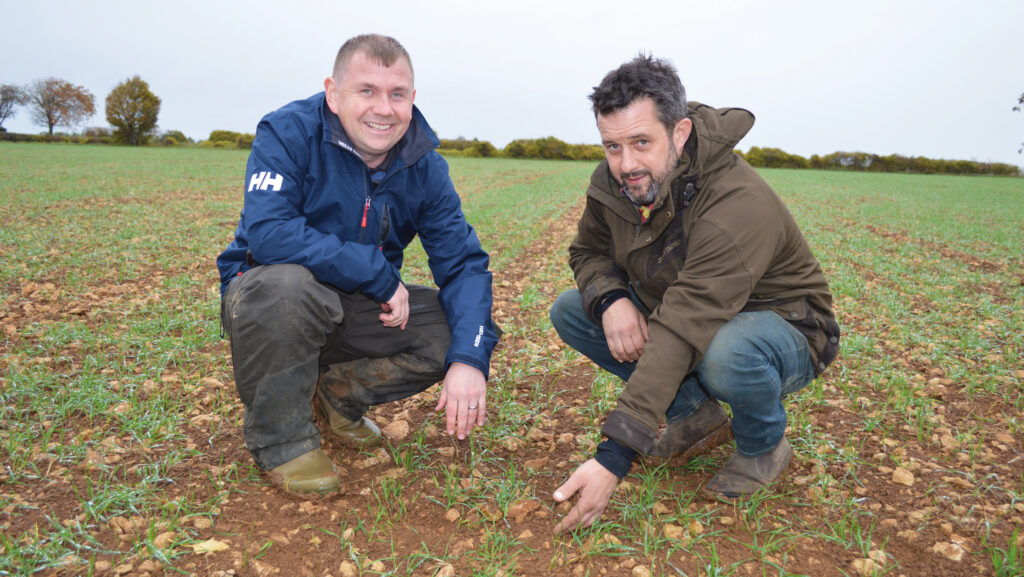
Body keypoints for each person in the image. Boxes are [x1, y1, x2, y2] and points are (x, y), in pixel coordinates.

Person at [549, 55, 840, 532]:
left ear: (679, 133)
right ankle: (694, 418)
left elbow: (683, 324)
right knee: (574, 310)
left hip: (785, 326)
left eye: (642, 142)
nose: (626, 164)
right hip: (689, 310)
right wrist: (611, 299)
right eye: (612, 146)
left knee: (724, 352)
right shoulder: (615, 181)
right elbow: (588, 251)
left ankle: (763, 446)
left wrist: (614, 456)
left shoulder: (734, 202)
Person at [216, 34, 499, 496]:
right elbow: (268, 233)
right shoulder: (288, 131)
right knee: (286, 287)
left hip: (356, 307)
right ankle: (284, 442)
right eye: (366, 90)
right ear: (333, 93)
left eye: (397, 94)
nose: (383, 109)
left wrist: (469, 359)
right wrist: (373, 271)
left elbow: (464, 266)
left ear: (412, 98)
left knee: (460, 332)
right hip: (270, 297)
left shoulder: (424, 166)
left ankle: (335, 392)